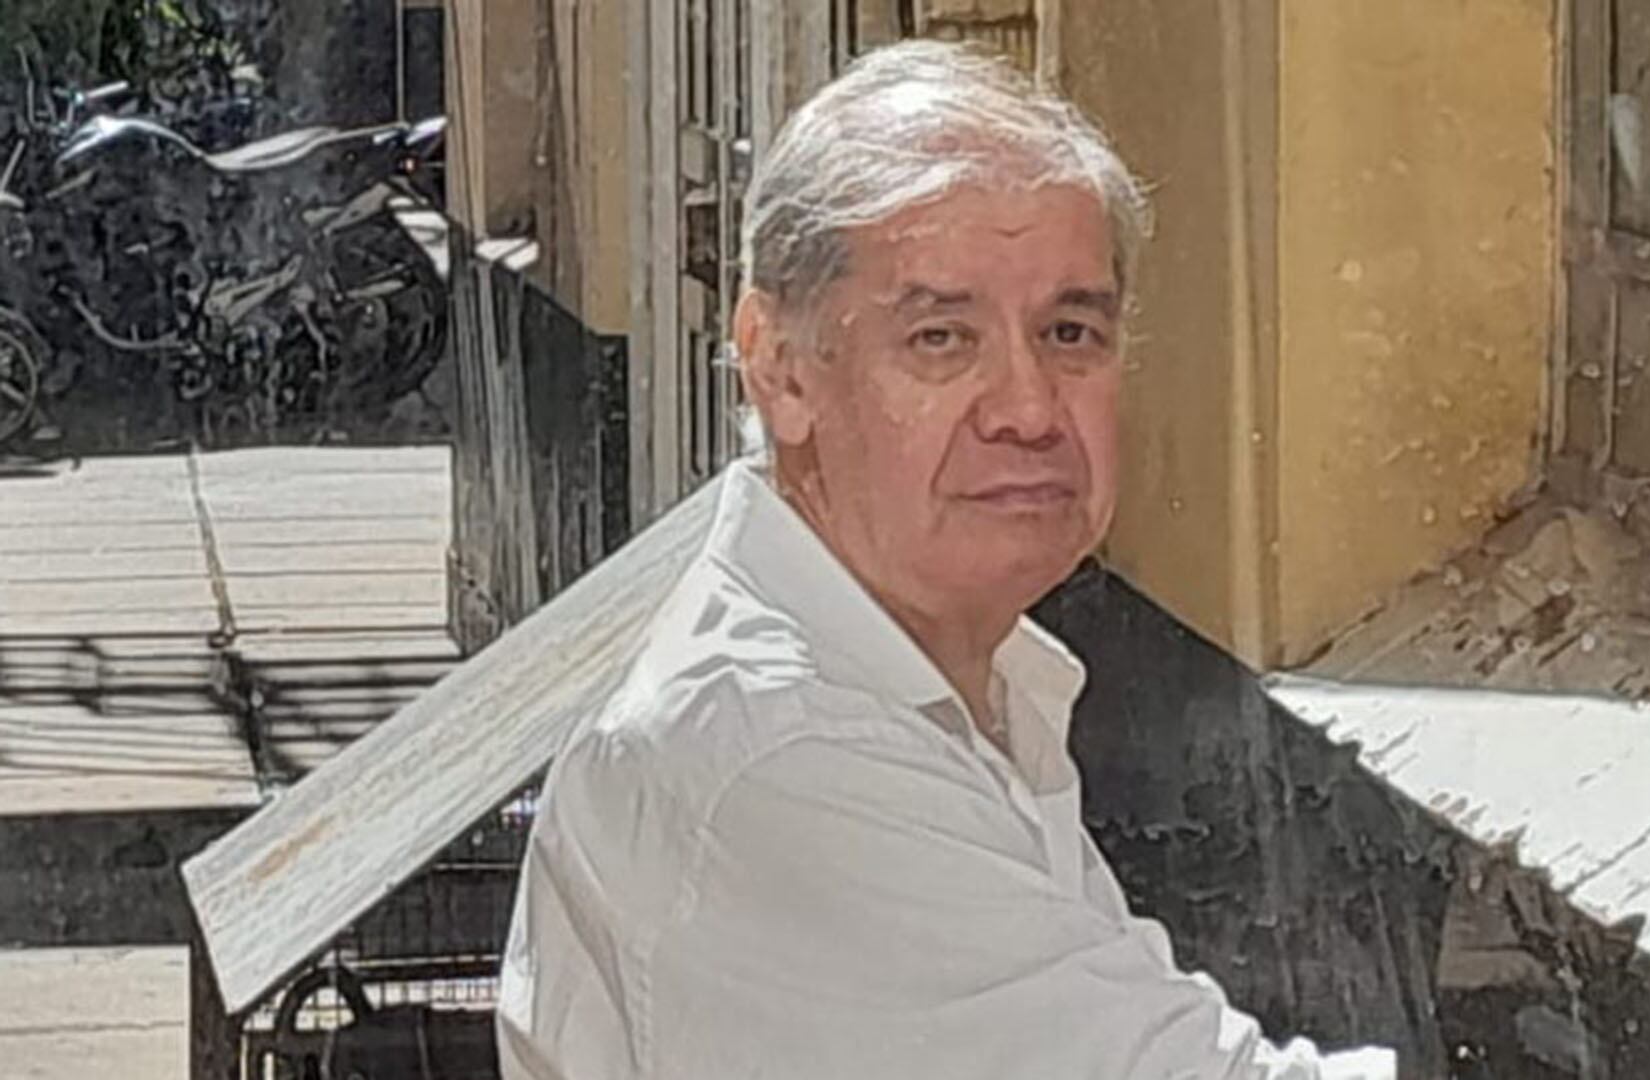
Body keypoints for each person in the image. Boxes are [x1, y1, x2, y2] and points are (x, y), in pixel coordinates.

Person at [496, 39, 1397, 1080]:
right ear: (780, 370)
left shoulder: (957, 681)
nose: (1029, 410)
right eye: (941, 338)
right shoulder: (788, 750)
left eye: (1070, 332)